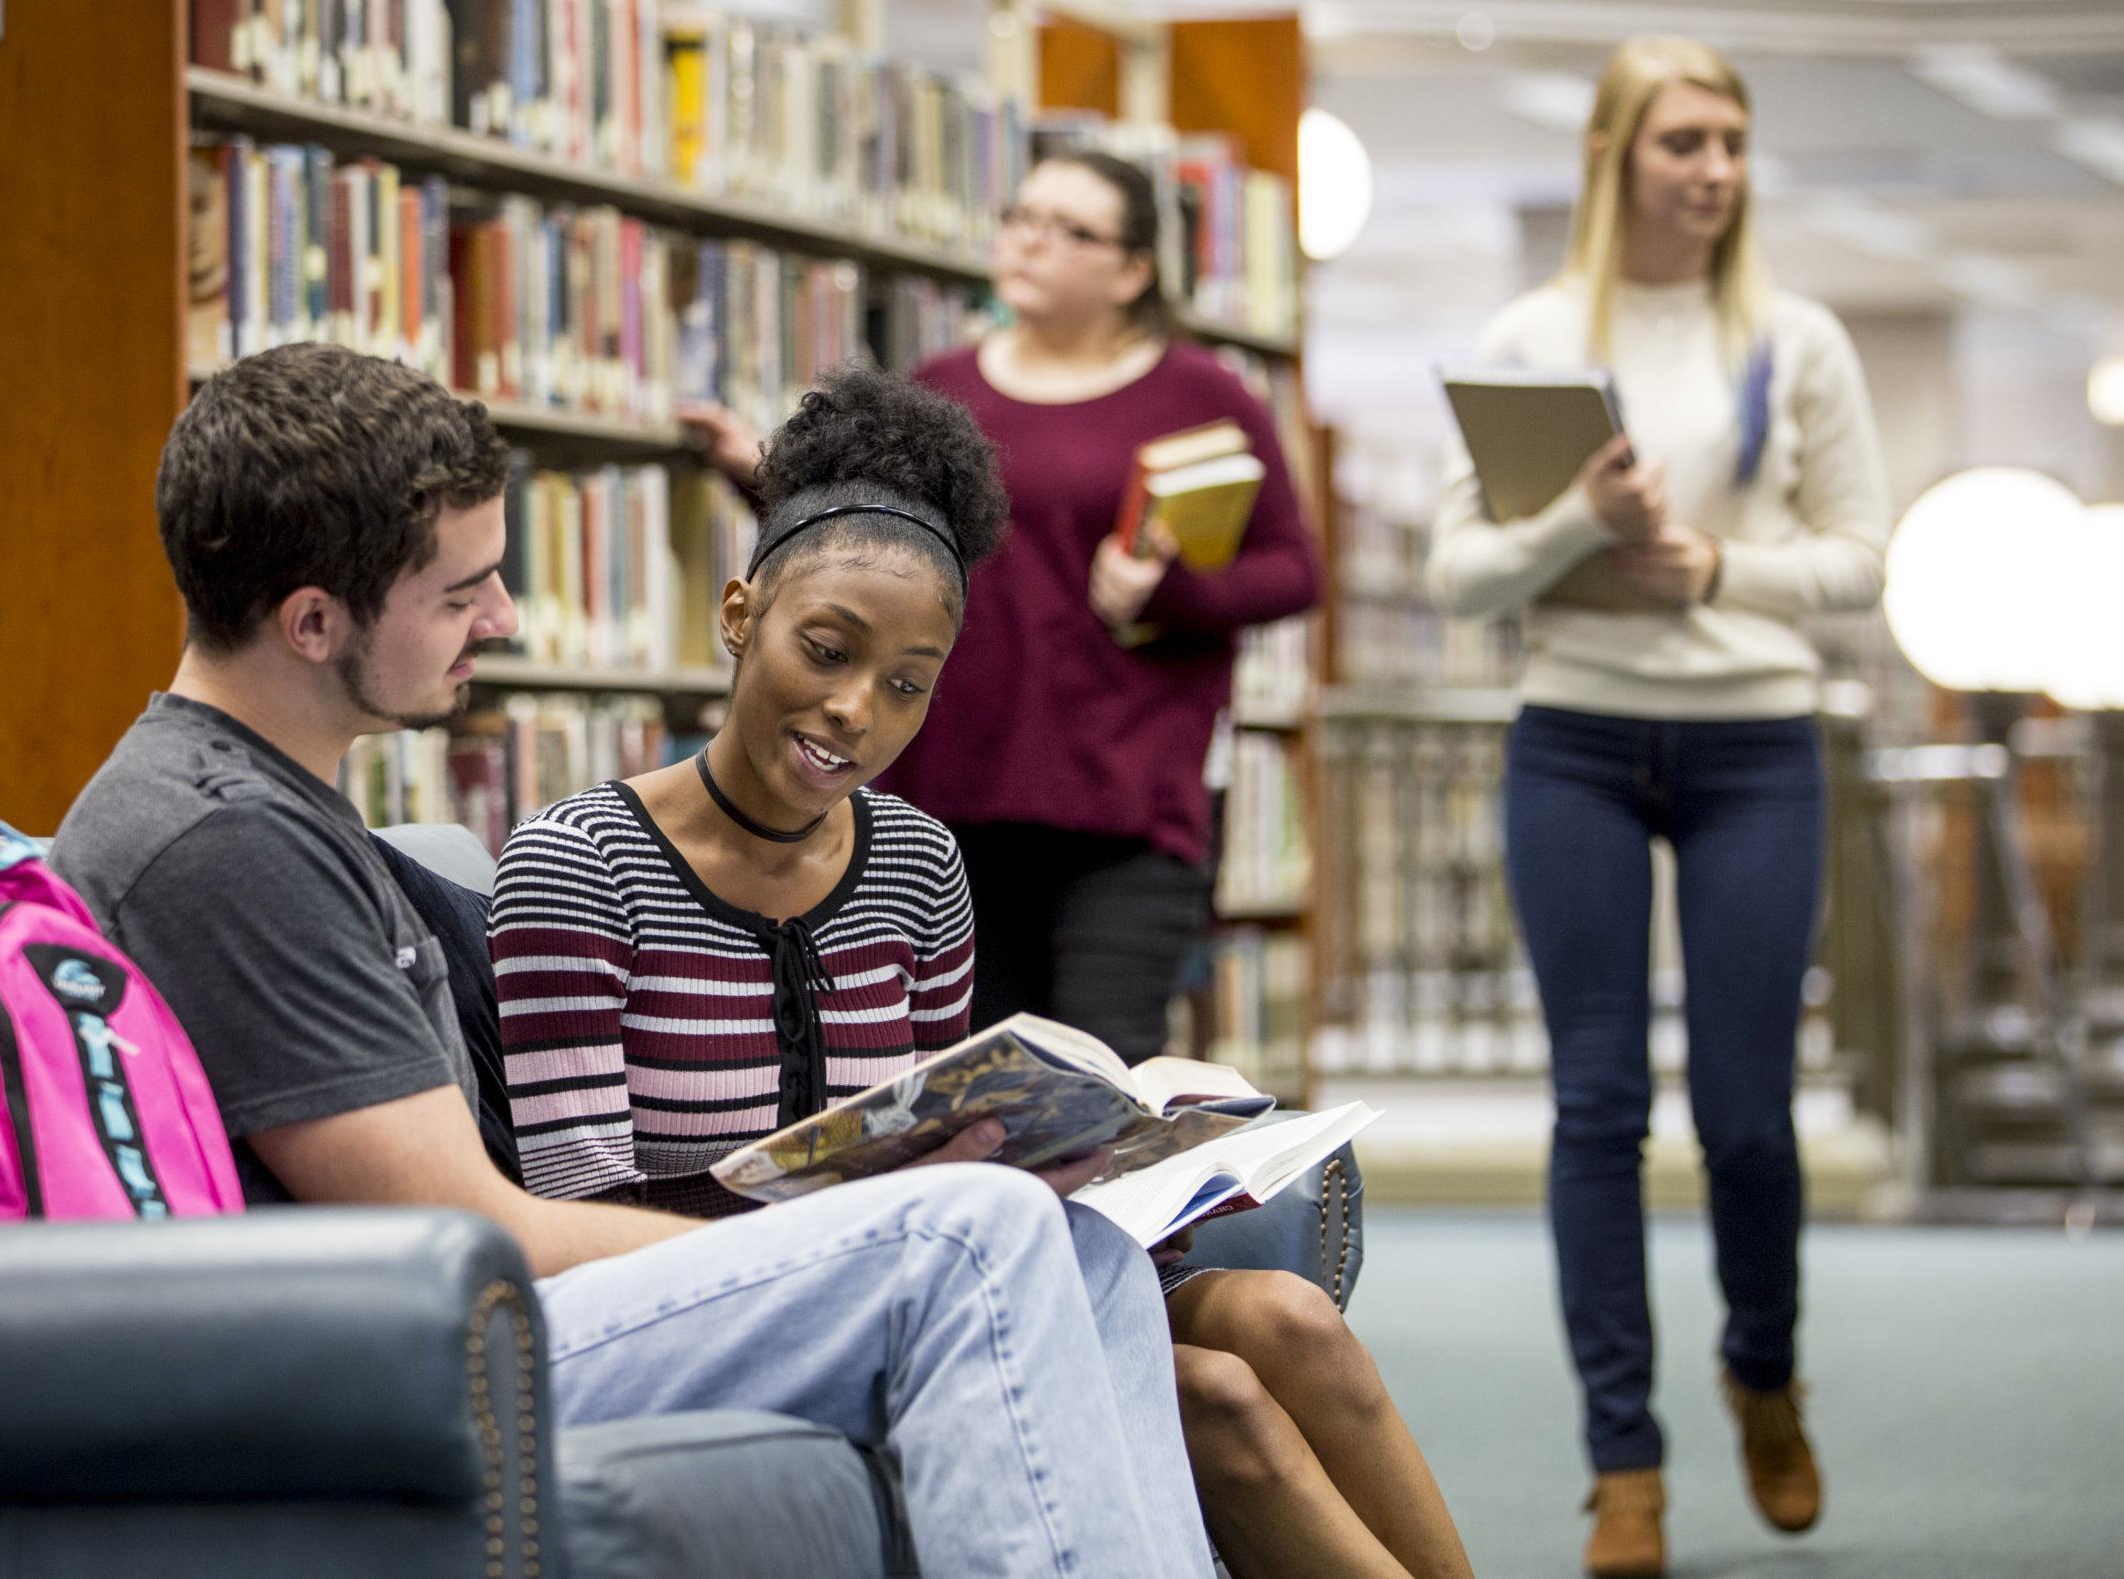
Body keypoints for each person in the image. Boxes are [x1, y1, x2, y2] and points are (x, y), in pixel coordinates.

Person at [50, 342, 1217, 1579]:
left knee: (1073, 1251)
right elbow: (464, 1224)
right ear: (312, 619)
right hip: (412, 1339)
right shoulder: (221, 842)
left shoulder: (289, 811)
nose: (499, 619)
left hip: (465, 1305)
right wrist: (860, 1224)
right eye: (459, 592)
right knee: (969, 1231)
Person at [507, 366, 1471, 1579]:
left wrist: (1096, 1155)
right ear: (740, 611)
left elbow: (916, 1129)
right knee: (1217, 1399)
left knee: (1281, 1321)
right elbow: (568, 1208)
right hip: (720, 1295)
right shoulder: (580, 859)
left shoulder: (914, 863)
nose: (856, 708)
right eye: (825, 649)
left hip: (927, 1259)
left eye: (907, 683)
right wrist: (854, 1225)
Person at [1426, 36, 1891, 1579]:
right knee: (1597, 1106)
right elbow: (1458, 571)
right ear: (1618, 153)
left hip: (1755, 740)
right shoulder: (1540, 333)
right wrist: (1587, 519)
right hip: (1573, 736)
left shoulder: (1798, 340)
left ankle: (1764, 1367)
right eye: (1685, 140)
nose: (1714, 169)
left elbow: (1860, 562)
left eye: (1733, 142)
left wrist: (1712, 568)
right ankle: (1622, 1459)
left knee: (1750, 1123)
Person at [694, 148, 1322, 1069]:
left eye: (1072, 230)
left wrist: (1173, 592)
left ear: (1134, 270)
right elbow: (870, 539)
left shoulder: (1202, 395)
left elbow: (1294, 572)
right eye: (1022, 217)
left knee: (1109, 1086)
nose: (1032, 242)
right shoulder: (946, 384)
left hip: (1124, 804)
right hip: (953, 792)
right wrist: (760, 476)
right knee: (972, 1083)